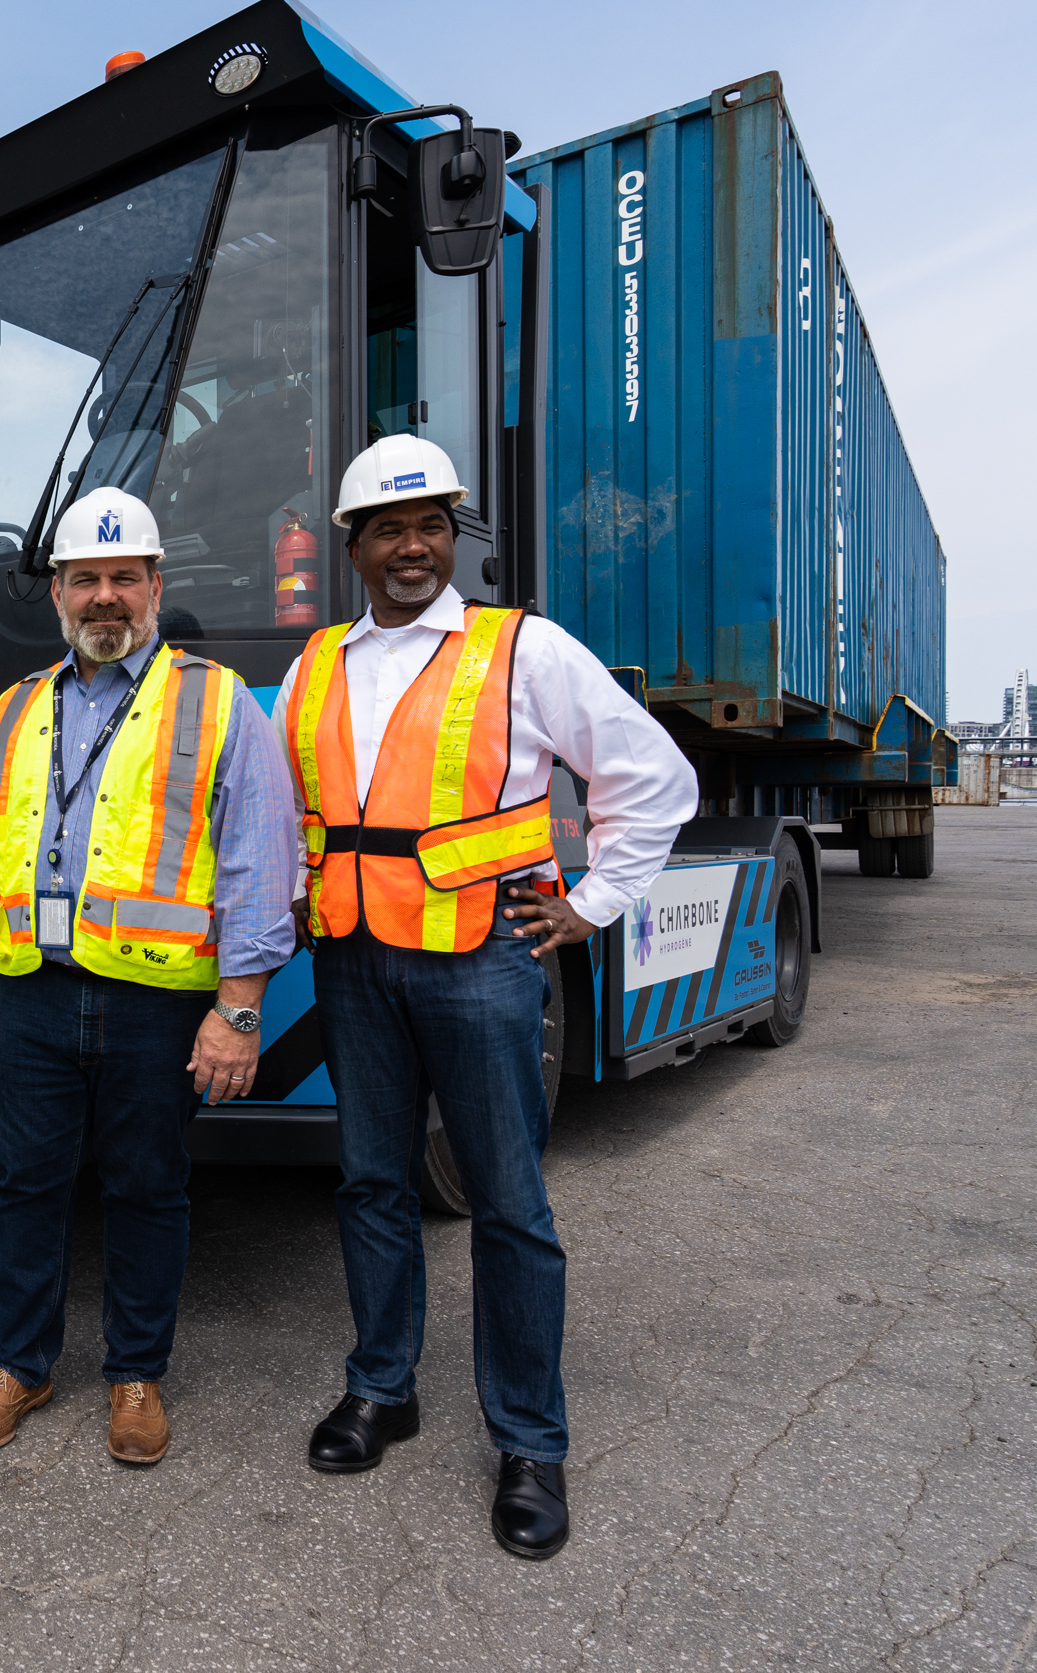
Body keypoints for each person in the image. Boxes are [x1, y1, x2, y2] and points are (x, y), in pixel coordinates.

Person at [278, 435, 697, 1561]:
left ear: (452, 538)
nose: (413, 547)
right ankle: (383, 1388)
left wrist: (592, 905)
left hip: (480, 961)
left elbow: (654, 778)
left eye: (432, 526)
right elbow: (283, 810)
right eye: (389, 529)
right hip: (353, 961)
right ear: (354, 547)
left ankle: (528, 1440)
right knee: (371, 1184)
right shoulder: (314, 665)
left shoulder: (524, 648)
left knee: (509, 1204)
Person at [0, 487, 300, 1466]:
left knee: (148, 1187)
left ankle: (136, 1374)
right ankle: (19, 1364)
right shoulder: (17, 708)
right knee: (26, 1184)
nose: (105, 596)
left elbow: (259, 860)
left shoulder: (217, 700)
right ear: (59, 591)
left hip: (157, 1004)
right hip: (32, 993)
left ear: (154, 585)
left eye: (123, 578)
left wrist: (239, 1011)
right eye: (85, 579)